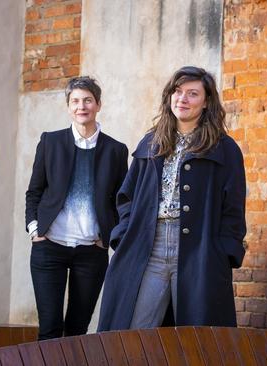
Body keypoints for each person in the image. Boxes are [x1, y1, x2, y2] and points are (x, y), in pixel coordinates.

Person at [98, 66, 246, 331]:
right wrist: (124, 235)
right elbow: (127, 196)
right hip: (148, 246)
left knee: (197, 339)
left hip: (199, 251)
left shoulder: (224, 149)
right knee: (134, 331)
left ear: (206, 102)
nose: (183, 99)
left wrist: (222, 253)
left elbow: (233, 208)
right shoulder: (151, 142)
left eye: (192, 94)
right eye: (177, 92)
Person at [25, 76, 128, 340]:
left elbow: (122, 200)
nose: (81, 106)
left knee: (77, 331)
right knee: (49, 328)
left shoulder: (116, 150)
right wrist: (34, 228)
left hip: (90, 252)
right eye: (75, 101)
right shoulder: (50, 142)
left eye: (87, 101)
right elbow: (34, 191)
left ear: (98, 105)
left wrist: (109, 237)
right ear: (68, 106)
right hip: (49, 247)